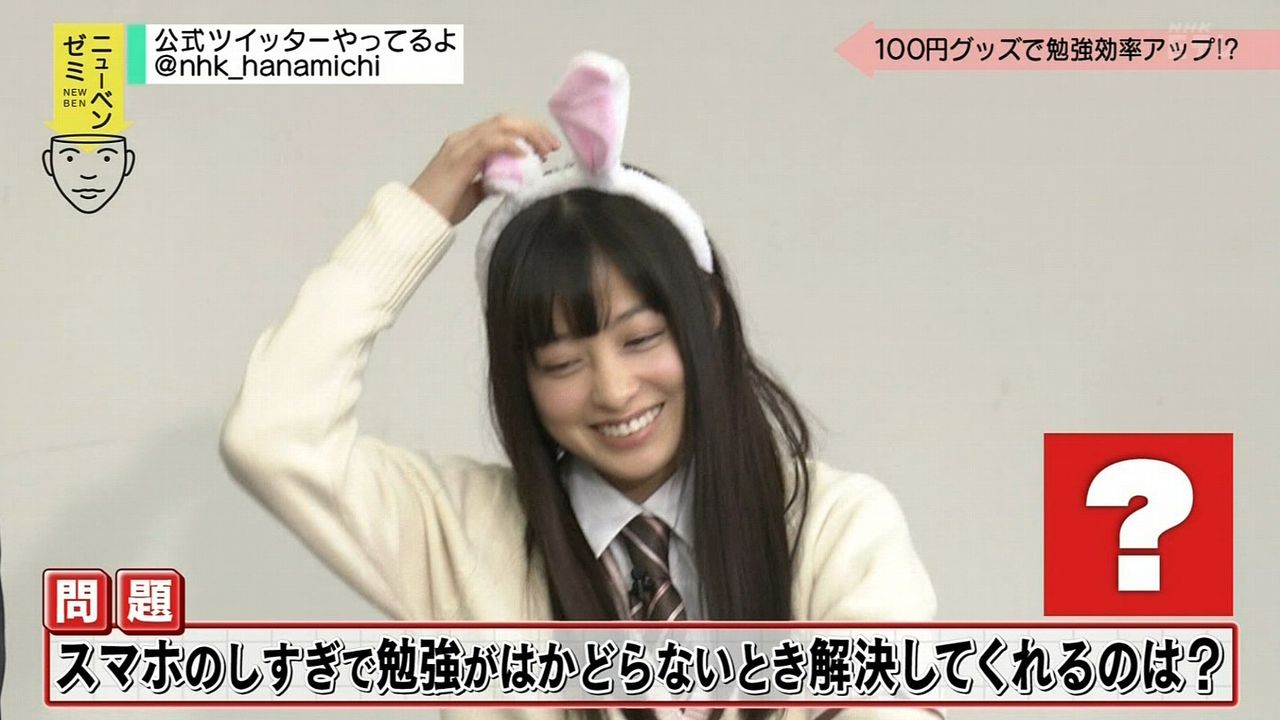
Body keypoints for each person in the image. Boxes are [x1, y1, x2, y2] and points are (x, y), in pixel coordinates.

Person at [220, 53, 937, 720]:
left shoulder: (832, 527)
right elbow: (272, 434)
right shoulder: (462, 534)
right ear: (521, 378)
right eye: (563, 364)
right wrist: (419, 214)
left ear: (708, 315)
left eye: (641, 339)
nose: (615, 391)